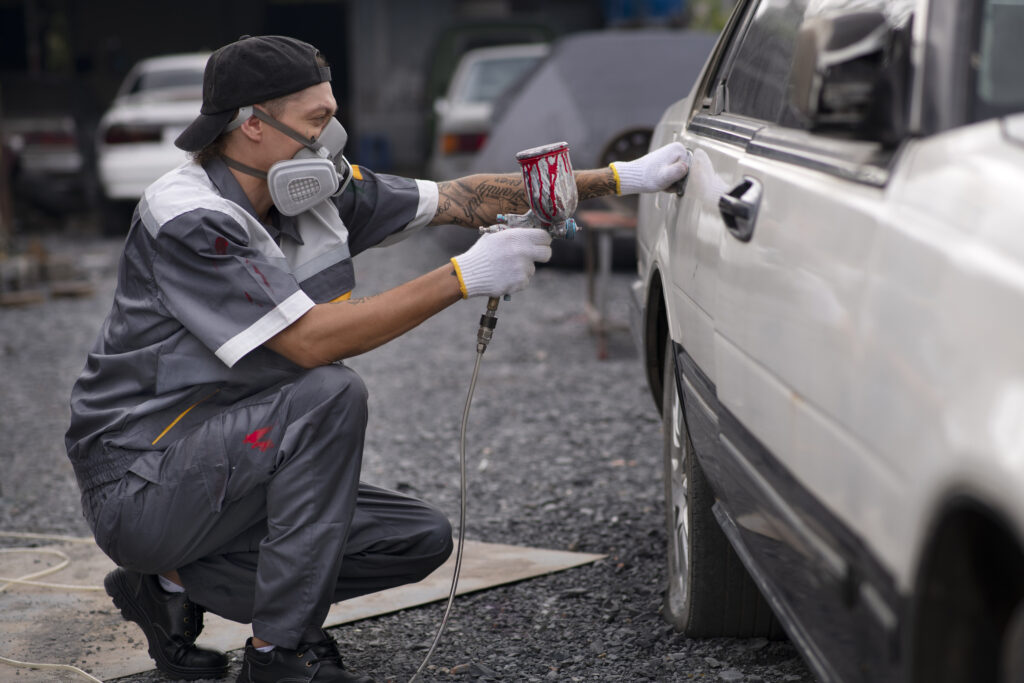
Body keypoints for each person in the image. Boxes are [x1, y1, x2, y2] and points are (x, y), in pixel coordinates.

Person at [65, 35, 690, 683]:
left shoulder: (309, 190)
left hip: (238, 457)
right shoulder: (194, 217)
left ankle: (169, 588)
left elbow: (460, 197)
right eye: (313, 121)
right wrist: (461, 276)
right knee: (328, 393)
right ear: (251, 125)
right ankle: (280, 652)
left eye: (331, 115)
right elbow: (309, 341)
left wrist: (623, 178)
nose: (329, 136)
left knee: (416, 538)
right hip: (143, 479)